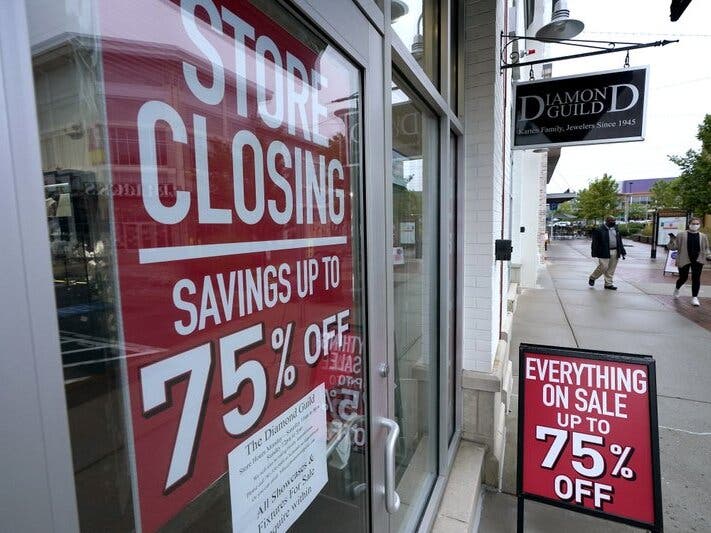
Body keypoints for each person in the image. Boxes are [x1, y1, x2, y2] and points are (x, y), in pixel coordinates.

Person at [668, 217, 710, 306]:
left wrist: (709, 256)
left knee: (696, 278)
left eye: (697, 224)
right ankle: (677, 288)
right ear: (689, 224)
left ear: (700, 225)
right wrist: (671, 240)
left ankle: (694, 297)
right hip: (684, 259)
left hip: (698, 259)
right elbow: (673, 247)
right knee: (683, 277)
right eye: (693, 223)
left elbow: (706, 248)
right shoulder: (681, 235)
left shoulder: (703, 236)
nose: (695, 225)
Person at [588, 216, 626, 290]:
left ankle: (608, 284)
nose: (613, 222)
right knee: (603, 266)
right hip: (603, 251)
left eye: (614, 221)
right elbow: (595, 242)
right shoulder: (599, 229)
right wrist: (594, 252)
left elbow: (619, 241)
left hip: (615, 250)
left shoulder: (616, 229)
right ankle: (593, 277)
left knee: (611, 269)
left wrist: (622, 251)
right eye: (612, 221)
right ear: (607, 221)